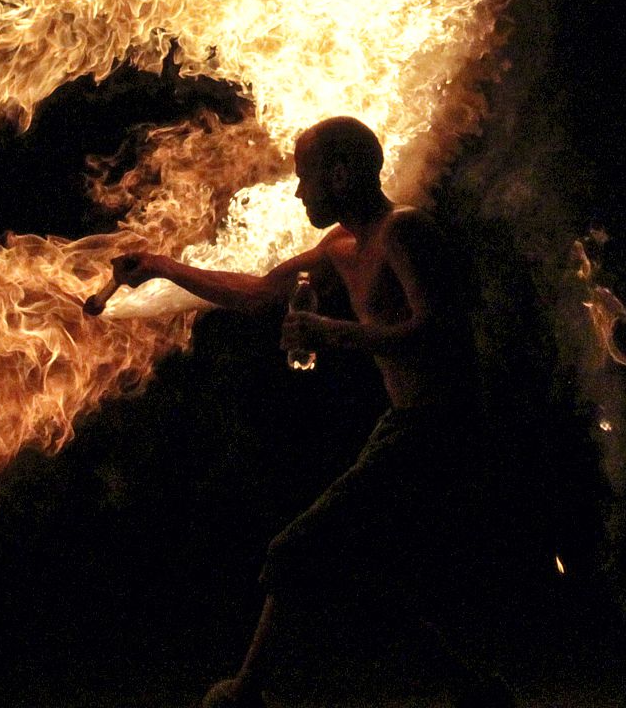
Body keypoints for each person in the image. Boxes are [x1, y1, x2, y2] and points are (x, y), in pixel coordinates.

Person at [110, 116, 515, 708]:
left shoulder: (403, 231)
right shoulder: (340, 247)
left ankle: (244, 694)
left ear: (341, 175)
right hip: (403, 427)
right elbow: (258, 293)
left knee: (296, 550)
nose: (300, 191)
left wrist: (334, 332)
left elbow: (439, 329)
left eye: (306, 176)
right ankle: (476, 692)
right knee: (371, 580)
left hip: (442, 428)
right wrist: (163, 267)